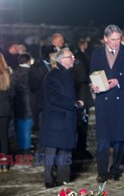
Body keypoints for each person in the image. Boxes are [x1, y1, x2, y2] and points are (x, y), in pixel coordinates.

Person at [90, 25, 124, 182]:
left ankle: (116, 168)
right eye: (113, 40)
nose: (116, 43)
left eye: (118, 39)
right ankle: (102, 171)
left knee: (119, 138)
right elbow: (92, 73)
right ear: (105, 39)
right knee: (103, 139)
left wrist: (119, 82)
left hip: (121, 99)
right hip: (103, 101)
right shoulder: (96, 53)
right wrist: (94, 85)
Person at [40, 48, 83, 188]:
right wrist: (73, 104)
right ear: (62, 59)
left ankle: (62, 178)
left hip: (65, 118)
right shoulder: (53, 75)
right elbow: (54, 97)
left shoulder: (67, 74)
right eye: (71, 56)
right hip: (56, 119)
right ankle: (48, 180)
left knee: (65, 149)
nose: (73, 59)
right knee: (51, 151)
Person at [13, 53, 34, 154]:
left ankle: (22, 145)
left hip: (18, 100)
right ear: (28, 60)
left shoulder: (15, 72)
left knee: (20, 123)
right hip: (29, 100)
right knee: (28, 123)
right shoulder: (30, 72)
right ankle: (27, 147)